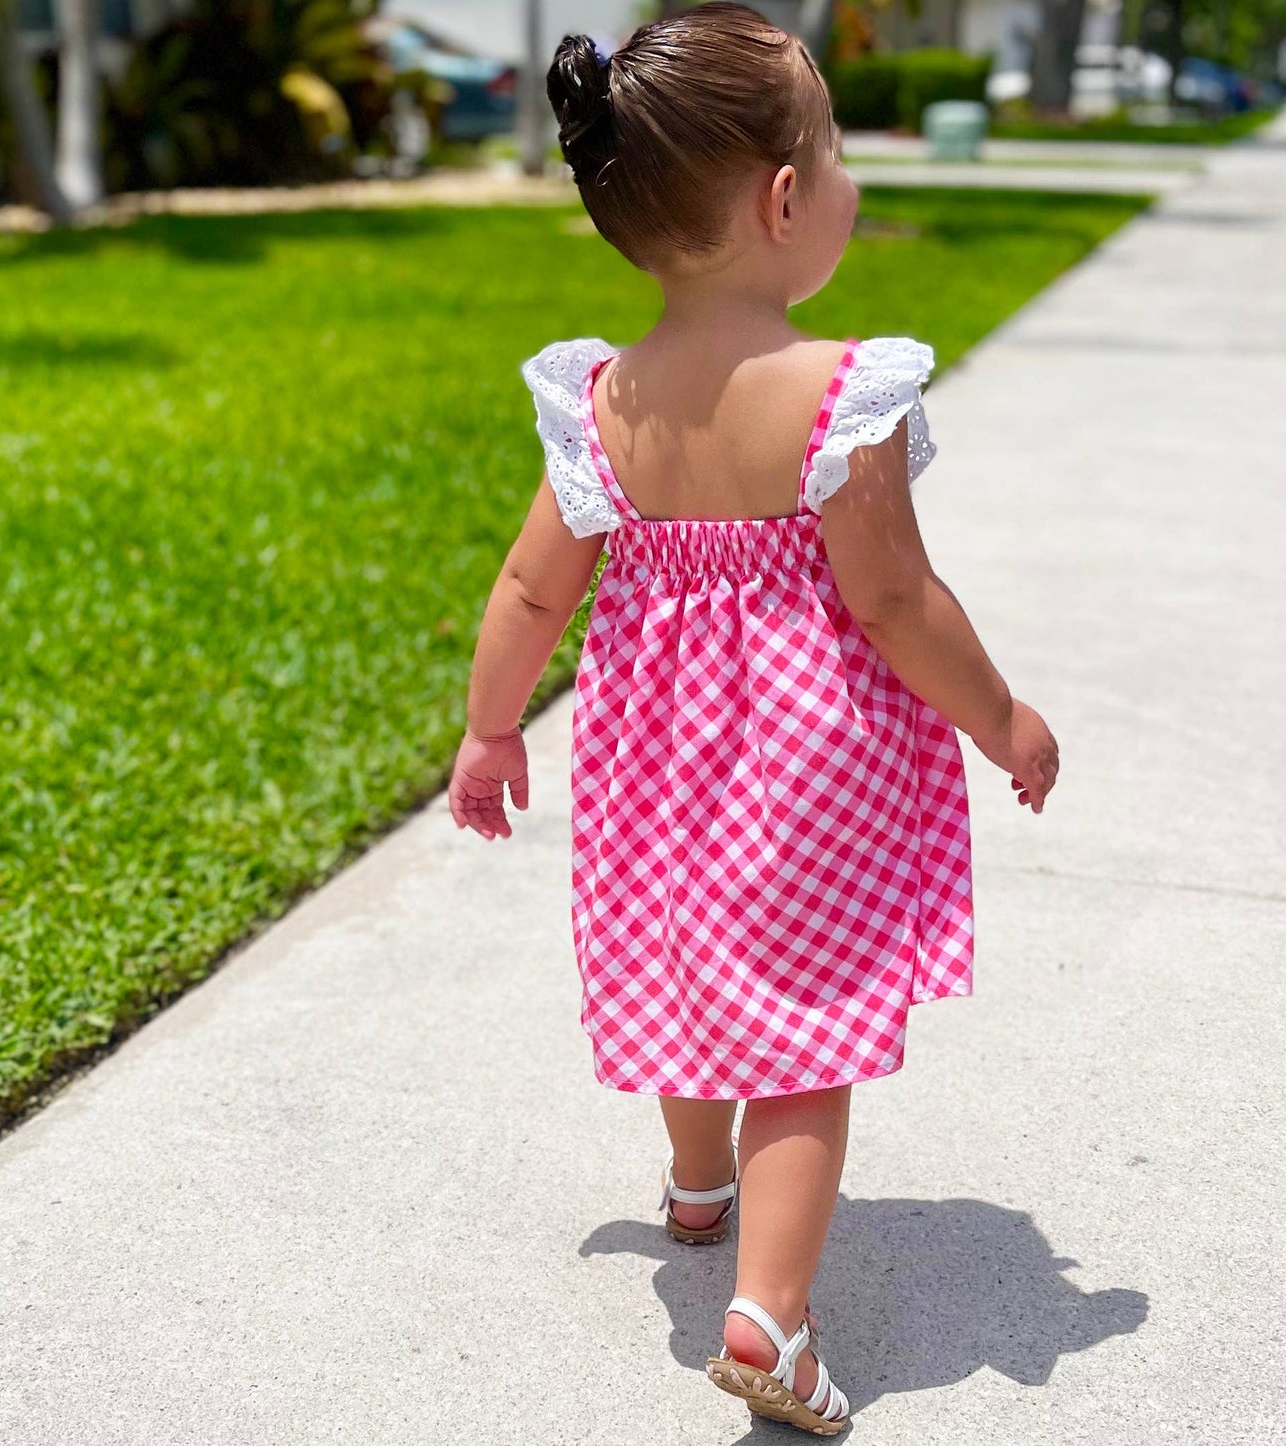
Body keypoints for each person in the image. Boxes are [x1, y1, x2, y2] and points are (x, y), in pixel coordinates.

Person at [447, 3, 1059, 1432]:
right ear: (785, 201)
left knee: (693, 975)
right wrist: (999, 715)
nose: (846, 179)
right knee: (804, 1031)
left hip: (655, 771)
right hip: (810, 770)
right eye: (834, 152)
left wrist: (487, 732)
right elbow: (895, 600)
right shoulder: (837, 395)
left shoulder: (603, 401)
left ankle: (696, 1185)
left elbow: (533, 590)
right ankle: (771, 1315)